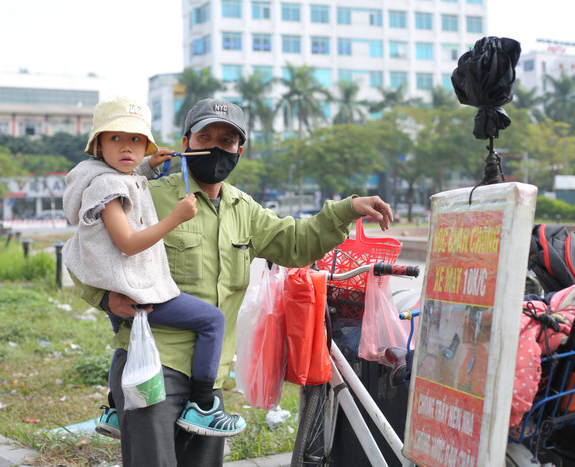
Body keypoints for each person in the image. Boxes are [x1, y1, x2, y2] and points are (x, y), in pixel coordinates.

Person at [70, 98, 393, 467]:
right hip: (152, 366)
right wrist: (103, 298)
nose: (215, 146)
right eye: (205, 136)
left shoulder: (246, 211)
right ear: (186, 142)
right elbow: (85, 249)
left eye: (226, 140)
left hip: (208, 381)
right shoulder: (149, 195)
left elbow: (297, 243)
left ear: (239, 150)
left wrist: (347, 208)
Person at [62, 96, 246, 440]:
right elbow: (128, 242)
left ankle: (115, 409)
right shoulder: (109, 187)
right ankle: (204, 405)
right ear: (98, 144)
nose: (127, 147)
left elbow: (126, 178)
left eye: (136, 140)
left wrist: (147, 165)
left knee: (126, 339)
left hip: (119, 285)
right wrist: (175, 217)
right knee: (212, 320)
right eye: (115, 138)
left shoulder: (98, 176)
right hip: (137, 286)